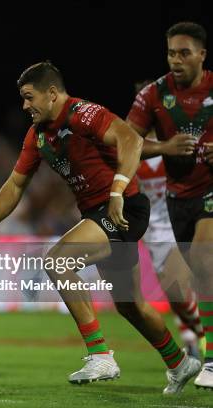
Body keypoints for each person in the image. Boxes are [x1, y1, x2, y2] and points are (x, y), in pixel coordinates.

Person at [0, 62, 200, 394]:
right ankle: (179, 362)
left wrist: (118, 191)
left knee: (56, 260)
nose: (24, 106)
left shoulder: (84, 114)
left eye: (28, 97)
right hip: (99, 213)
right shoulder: (37, 136)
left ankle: (99, 353)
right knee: (129, 305)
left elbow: (130, 141)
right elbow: (15, 185)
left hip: (122, 208)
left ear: (52, 94)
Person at [126, 21, 213, 389]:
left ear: (201, 55)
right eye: (171, 53)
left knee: (206, 263)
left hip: (209, 189)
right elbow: (128, 142)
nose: (176, 60)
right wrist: (164, 147)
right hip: (178, 198)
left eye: (184, 53)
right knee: (189, 280)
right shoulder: (153, 94)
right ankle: (198, 344)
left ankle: (209, 361)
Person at [134, 80, 204, 360]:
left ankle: (200, 342)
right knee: (175, 296)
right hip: (153, 230)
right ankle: (193, 339)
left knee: (185, 284)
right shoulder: (132, 143)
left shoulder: (179, 137)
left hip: (180, 220)